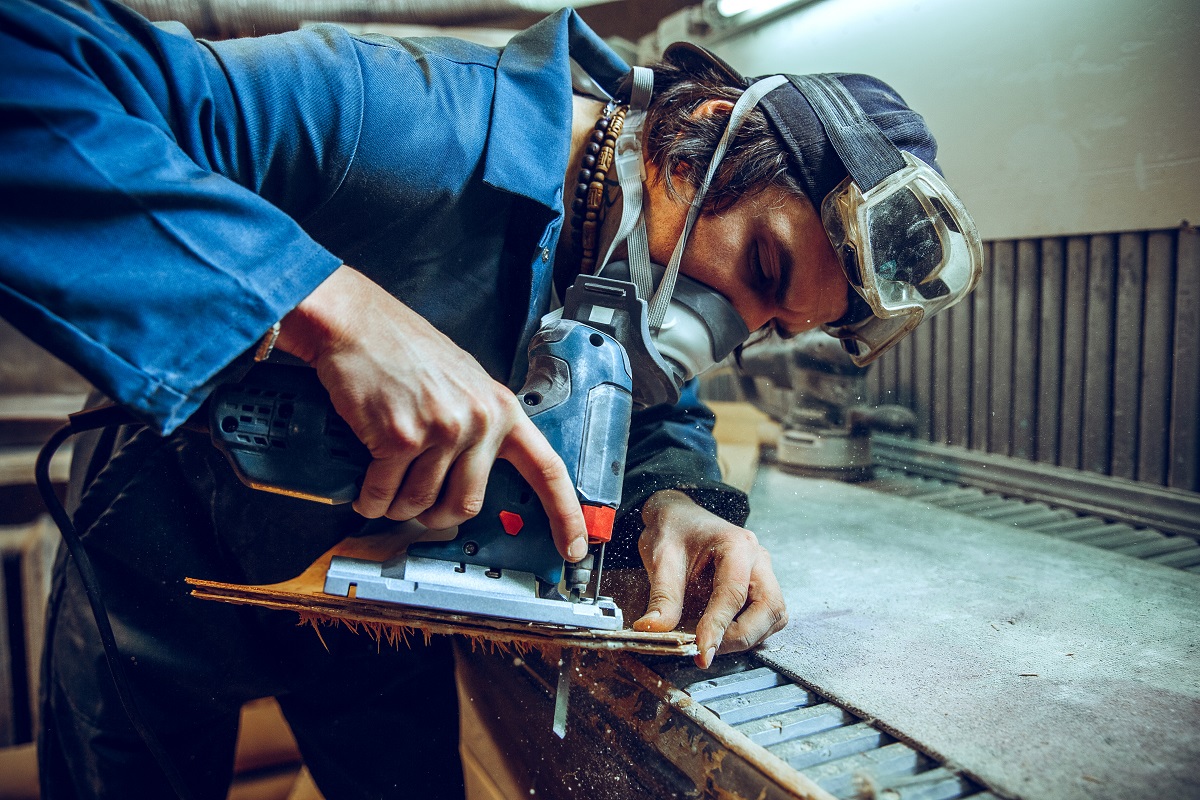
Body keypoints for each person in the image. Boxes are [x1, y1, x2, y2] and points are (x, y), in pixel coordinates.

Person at [0, 0, 980, 797]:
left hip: (386, 604)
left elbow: (649, 401)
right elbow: (30, 68)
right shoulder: (394, 118)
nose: (725, 328)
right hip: (158, 574)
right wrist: (323, 303)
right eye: (762, 264)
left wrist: (674, 500)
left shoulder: (642, 259)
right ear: (705, 138)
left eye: (768, 322)